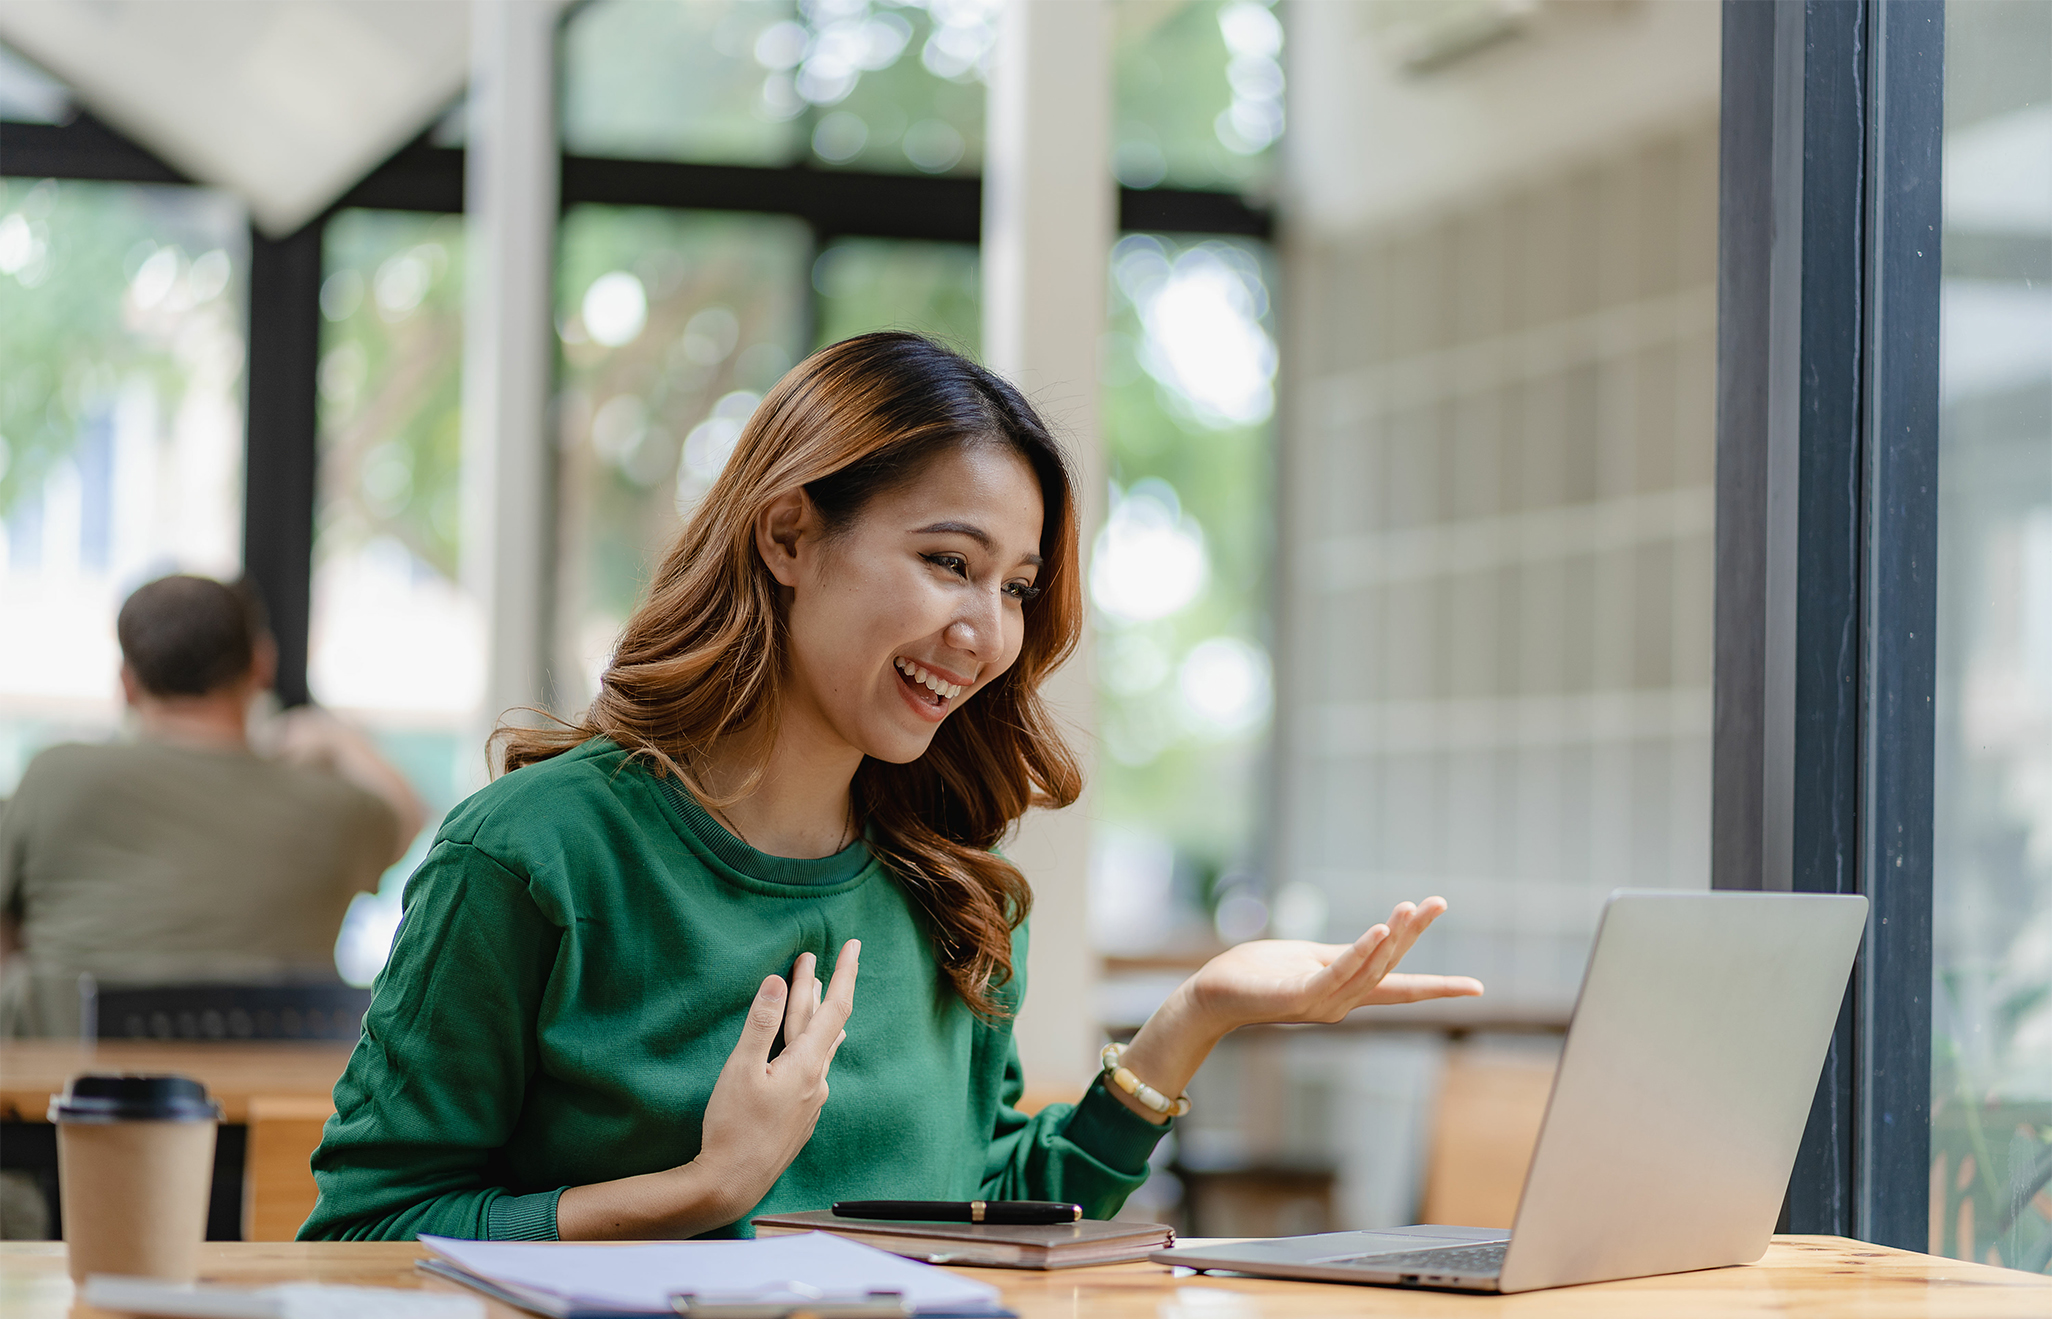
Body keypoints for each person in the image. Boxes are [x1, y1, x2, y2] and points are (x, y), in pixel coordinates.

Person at [301, 333, 1481, 1242]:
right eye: (948, 563)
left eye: (1016, 587)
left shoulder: (955, 892)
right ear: (787, 538)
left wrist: (1195, 1019)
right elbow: (369, 1231)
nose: (987, 632)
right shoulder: (531, 855)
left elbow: (983, 1213)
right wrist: (699, 1191)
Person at [0, 575, 426, 1037]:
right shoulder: (332, 807)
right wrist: (336, 739)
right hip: (269, 1099)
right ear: (262, 665)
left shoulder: (54, 777)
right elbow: (410, 815)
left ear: (126, 682)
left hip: (63, 1098)